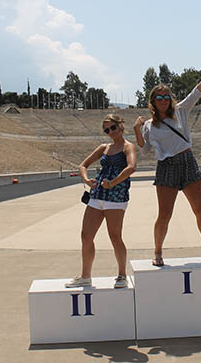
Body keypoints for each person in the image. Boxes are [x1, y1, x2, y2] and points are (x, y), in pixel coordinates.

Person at [133, 58, 201, 266]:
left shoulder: (181, 110)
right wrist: (137, 130)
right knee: (164, 214)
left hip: (187, 161)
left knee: (200, 210)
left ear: (170, 99)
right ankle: (157, 253)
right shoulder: (148, 125)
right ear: (153, 101)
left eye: (166, 96)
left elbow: (197, 91)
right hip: (166, 167)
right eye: (159, 97)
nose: (163, 100)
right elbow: (145, 149)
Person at [66, 114, 137, 289]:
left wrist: (113, 183)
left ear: (120, 125)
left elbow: (131, 167)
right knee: (86, 235)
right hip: (97, 195)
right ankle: (85, 276)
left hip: (116, 196)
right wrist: (86, 179)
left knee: (115, 236)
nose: (110, 132)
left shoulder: (128, 147)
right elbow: (83, 165)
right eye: (106, 130)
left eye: (112, 127)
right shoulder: (104, 147)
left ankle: (122, 275)